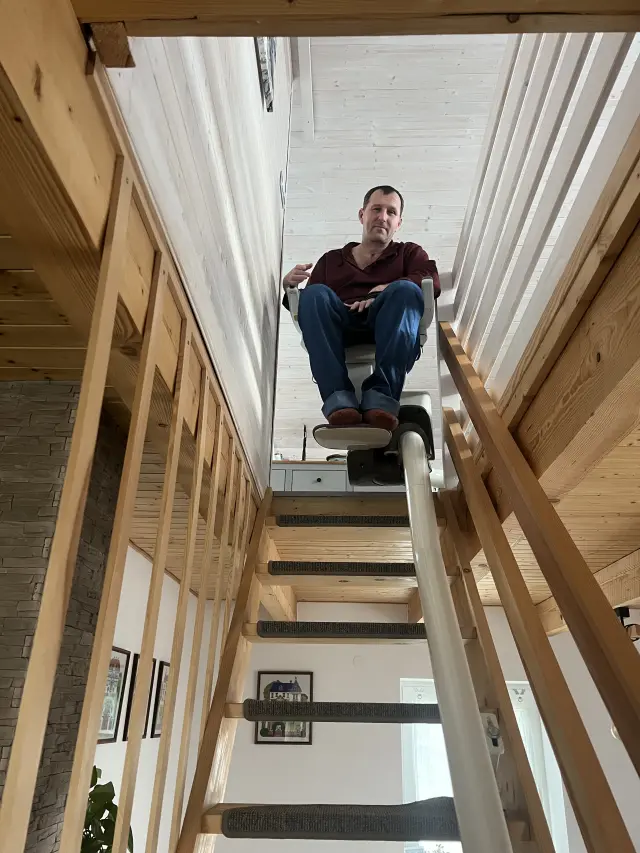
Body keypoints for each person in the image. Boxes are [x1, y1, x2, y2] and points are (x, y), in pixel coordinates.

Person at [282, 185, 440, 432]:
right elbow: (309, 308)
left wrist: (385, 289)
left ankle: (381, 399)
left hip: (389, 323)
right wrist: (289, 288)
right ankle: (338, 400)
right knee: (313, 293)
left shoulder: (409, 253)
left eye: (391, 212)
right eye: (376, 209)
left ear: (398, 223)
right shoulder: (331, 260)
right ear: (362, 214)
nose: (383, 217)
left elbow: (431, 280)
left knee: (407, 290)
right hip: (341, 325)